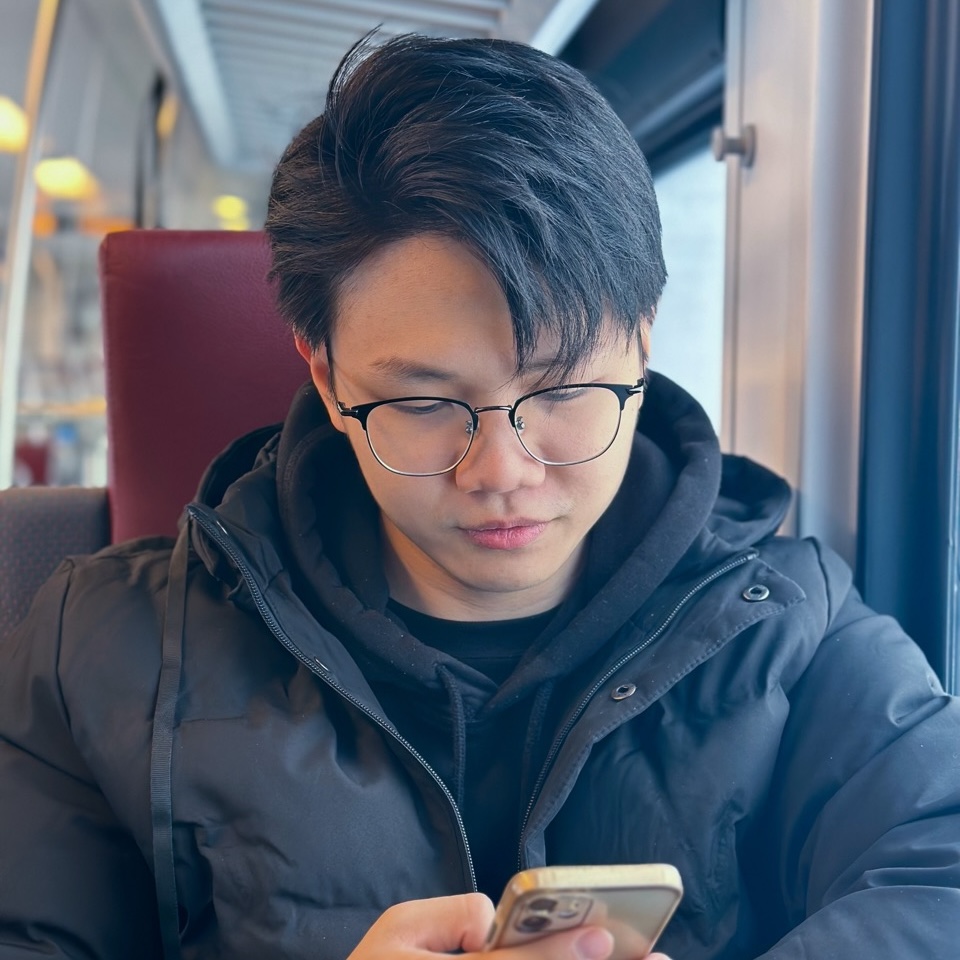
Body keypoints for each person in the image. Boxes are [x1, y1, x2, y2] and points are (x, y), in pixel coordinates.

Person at [1, 32, 958, 960]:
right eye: (423, 401)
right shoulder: (99, 646)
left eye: (564, 392)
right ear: (328, 377)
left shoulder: (792, 624)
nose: (502, 470)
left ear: (645, 338)